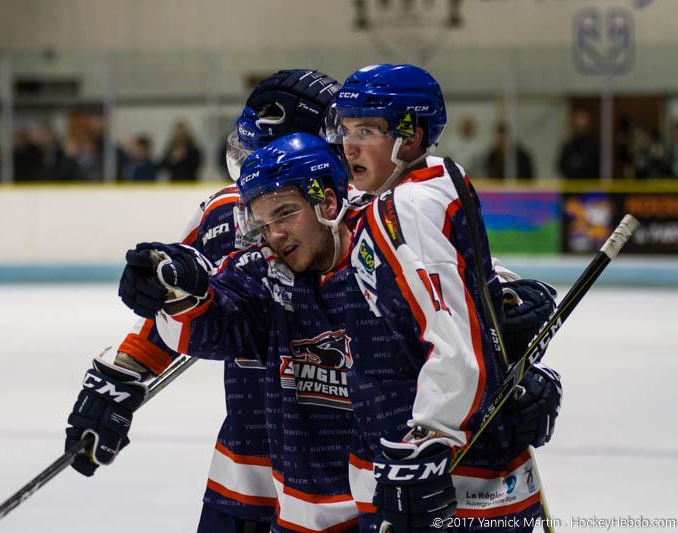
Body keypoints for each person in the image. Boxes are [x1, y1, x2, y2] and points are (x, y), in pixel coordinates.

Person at [117, 131, 562, 533]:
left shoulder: (392, 246)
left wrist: (525, 377)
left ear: (328, 204)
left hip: (426, 500)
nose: (275, 235)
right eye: (263, 223)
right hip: (314, 509)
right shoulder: (268, 273)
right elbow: (215, 322)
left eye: (285, 214)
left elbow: (466, 329)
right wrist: (177, 292)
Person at [64, 70, 341, 533]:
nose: (250, 185)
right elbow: (180, 299)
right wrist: (119, 378)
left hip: (344, 482)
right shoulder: (225, 214)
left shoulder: (372, 222)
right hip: (246, 471)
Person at [325, 63, 561, 530]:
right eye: (346, 129)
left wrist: (424, 444)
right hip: (487, 474)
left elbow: (454, 349)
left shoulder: (403, 207)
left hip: (445, 485)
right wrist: (504, 296)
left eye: (366, 130)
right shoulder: (441, 177)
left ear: (411, 137)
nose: (348, 146)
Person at [558, 109, 600, 179]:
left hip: (589, 183)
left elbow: (595, 167)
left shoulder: (594, 147)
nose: (580, 131)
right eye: (577, 127)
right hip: (572, 183)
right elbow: (561, 166)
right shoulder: (569, 145)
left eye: (583, 128)